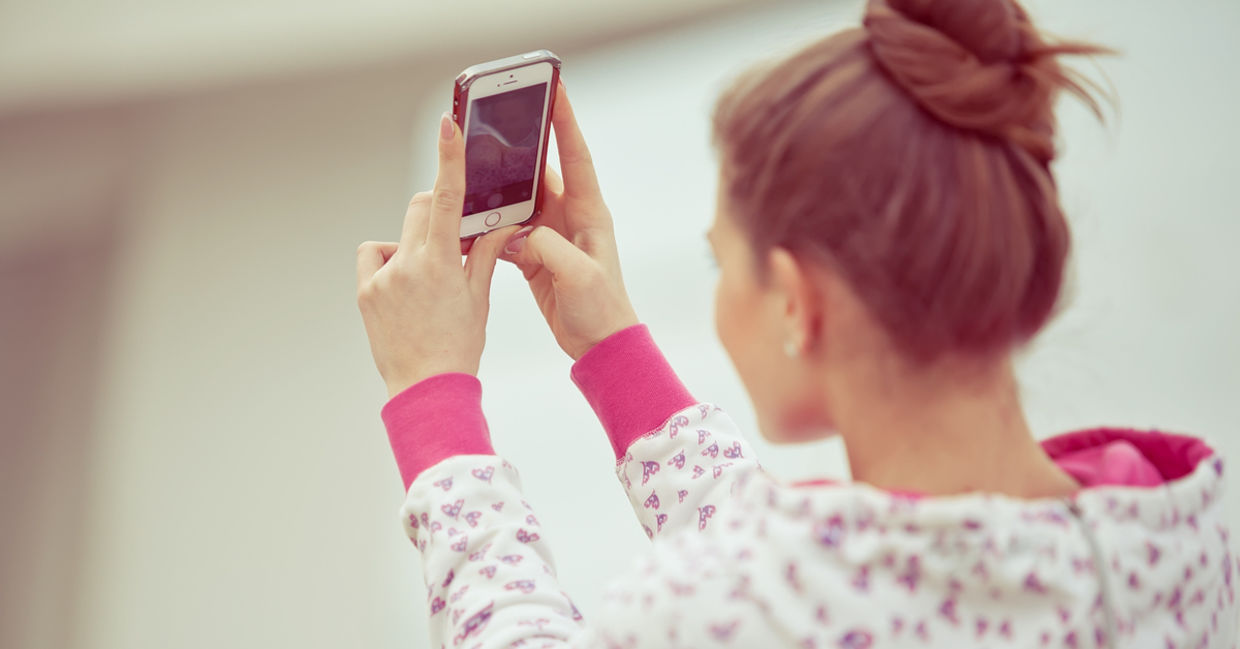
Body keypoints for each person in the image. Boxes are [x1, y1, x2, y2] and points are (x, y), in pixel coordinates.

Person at [355, 0, 1237, 646]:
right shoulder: (1173, 540)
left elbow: (773, 593)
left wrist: (433, 398)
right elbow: (825, 582)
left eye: (721, 263)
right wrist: (613, 348)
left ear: (795, 300)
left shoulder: (728, 604)